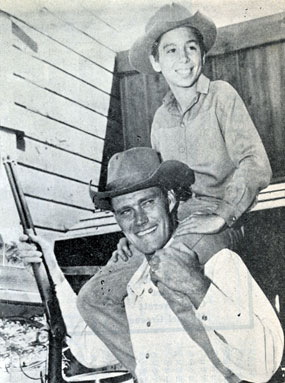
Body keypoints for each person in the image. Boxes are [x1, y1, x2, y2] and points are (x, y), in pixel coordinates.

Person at [19, 148, 283, 383]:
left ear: (169, 200)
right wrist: (51, 267)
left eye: (147, 202)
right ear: (118, 221)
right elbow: (90, 351)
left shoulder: (216, 263)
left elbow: (263, 366)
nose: (140, 220)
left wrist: (198, 288)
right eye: (126, 211)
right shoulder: (135, 288)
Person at [114, 2, 272, 263]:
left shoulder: (221, 96)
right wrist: (139, 233)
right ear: (156, 61)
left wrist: (221, 216)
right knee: (96, 295)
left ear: (203, 55)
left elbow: (255, 163)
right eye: (171, 50)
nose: (184, 58)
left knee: (172, 265)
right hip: (173, 224)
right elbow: (156, 190)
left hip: (220, 221)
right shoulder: (161, 119)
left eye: (191, 47)